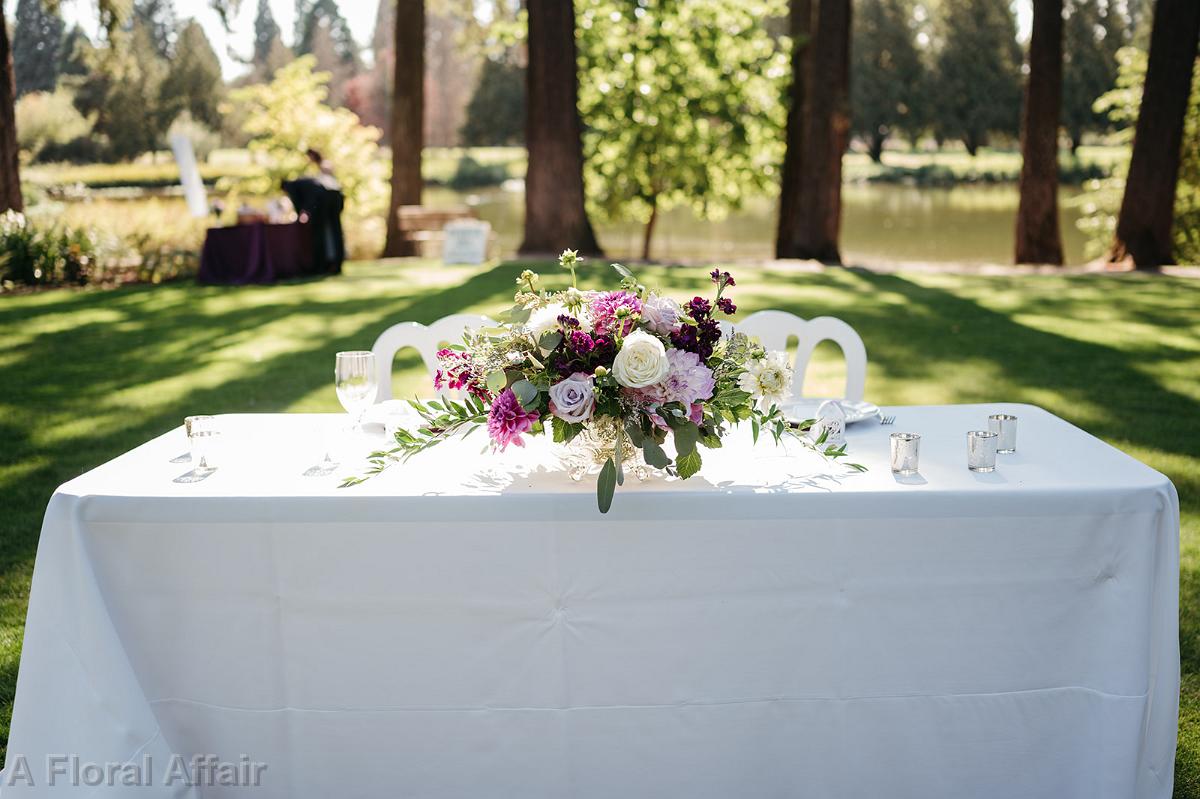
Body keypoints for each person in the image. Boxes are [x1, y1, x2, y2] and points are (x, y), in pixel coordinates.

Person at [283, 148, 345, 274]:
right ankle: (326, 263)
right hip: (327, 197)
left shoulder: (324, 165)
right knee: (325, 232)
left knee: (331, 231)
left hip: (329, 197)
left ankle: (333, 263)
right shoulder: (313, 170)